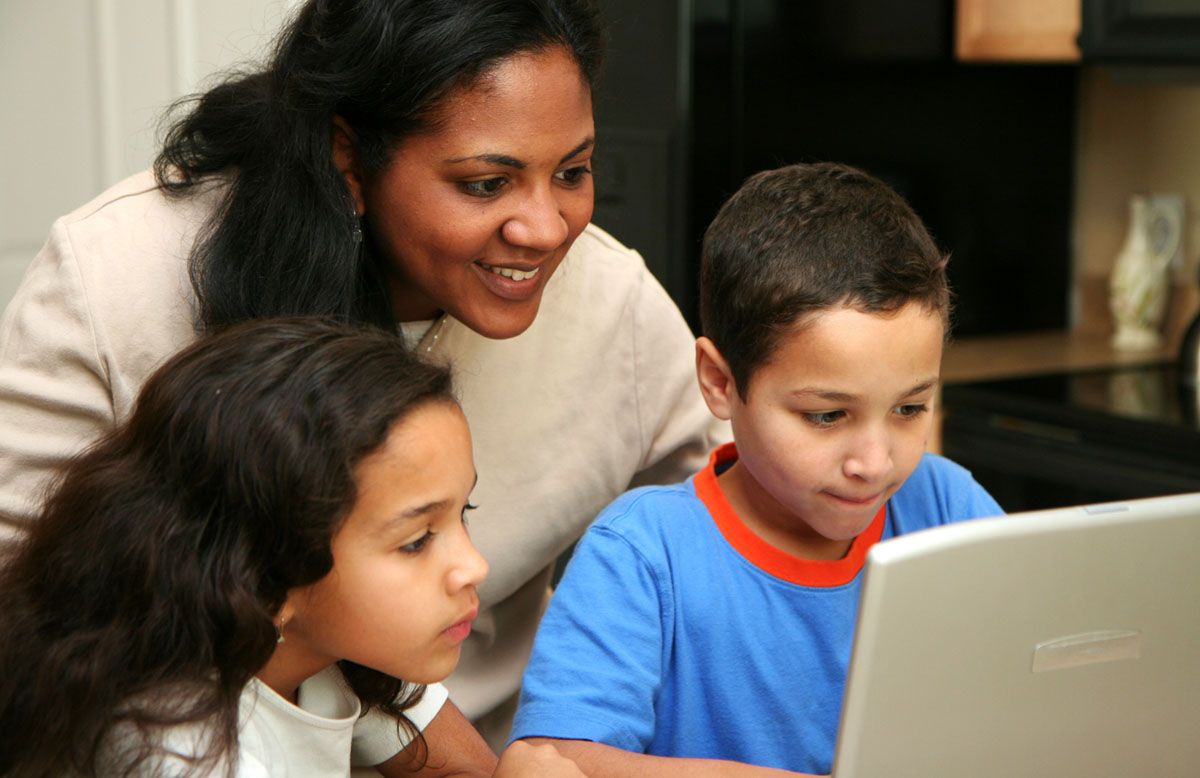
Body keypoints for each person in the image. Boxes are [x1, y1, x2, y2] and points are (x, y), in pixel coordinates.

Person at [0, 0, 725, 747]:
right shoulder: (114, 279)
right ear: (349, 159)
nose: (544, 228)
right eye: (485, 183)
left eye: (573, 171)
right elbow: (28, 620)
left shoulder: (613, 305)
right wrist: (410, 724)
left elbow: (737, 542)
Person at [508, 162, 1006, 776]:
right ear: (719, 382)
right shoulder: (644, 552)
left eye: (910, 408)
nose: (875, 463)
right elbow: (550, 761)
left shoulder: (948, 508)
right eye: (827, 416)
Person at [0, 317, 589, 778]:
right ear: (264, 577)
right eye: (415, 542)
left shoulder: (329, 647)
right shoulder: (178, 750)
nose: (474, 566)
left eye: (465, 513)